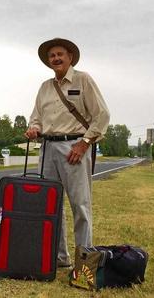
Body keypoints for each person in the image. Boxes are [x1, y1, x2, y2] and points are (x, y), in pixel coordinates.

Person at [25, 38, 110, 268]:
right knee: (51, 205)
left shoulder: (83, 80)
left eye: (60, 54)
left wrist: (83, 144)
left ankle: (85, 263)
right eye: (52, 56)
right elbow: (36, 117)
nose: (56, 59)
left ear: (70, 57)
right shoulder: (45, 87)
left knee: (80, 205)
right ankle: (60, 258)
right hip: (47, 149)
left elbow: (102, 115)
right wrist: (34, 128)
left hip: (74, 148)